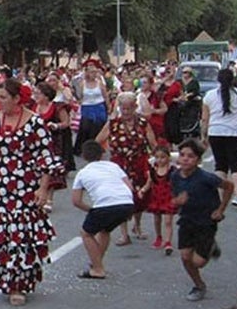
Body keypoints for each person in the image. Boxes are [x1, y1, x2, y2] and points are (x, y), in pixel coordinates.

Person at [0, 78, 62, 306]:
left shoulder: (35, 123)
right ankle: (7, 280)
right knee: (4, 235)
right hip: (1, 187)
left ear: (17, 99)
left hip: (26, 186)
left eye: (4, 97)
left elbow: (47, 158)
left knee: (22, 235)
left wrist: (43, 189)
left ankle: (20, 285)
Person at [171, 139, 235, 302]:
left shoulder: (206, 178)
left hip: (206, 222)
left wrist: (220, 209)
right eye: (183, 155)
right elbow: (174, 199)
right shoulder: (175, 177)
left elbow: (229, 186)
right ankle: (199, 285)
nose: (185, 159)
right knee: (185, 257)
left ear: (198, 161)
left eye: (191, 156)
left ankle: (211, 246)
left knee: (198, 262)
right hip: (186, 220)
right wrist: (177, 202)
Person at [96, 91, 156, 246]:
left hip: (139, 163)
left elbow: (153, 143)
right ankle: (124, 234)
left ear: (135, 107)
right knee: (122, 198)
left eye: (129, 109)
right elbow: (98, 140)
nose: (126, 112)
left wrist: (156, 160)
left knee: (139, 197)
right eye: (123, 109)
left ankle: (137, 225)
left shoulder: (143, 122)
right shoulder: (113, 123)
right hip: (119, 166)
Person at [70, 141, 135, 280]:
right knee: (105, 230)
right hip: (127, 202)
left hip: (105, 205)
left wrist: (90, 210)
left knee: (86, 233)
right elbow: (129, 187)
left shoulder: (82, 173)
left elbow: (76, 201)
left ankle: (98, 269)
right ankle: (96, 263)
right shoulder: (114, 166)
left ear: (84, 156)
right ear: (102, 153)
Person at [202, 68, 237, 209]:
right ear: (233, 79)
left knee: (220, 165)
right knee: (236, 164)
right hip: (235, 132)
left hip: (215, 131)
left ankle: (220, 196)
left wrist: (204, 135)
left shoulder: (209, 95)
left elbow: (204, 119)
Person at [34, 83, 72, 211]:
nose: (36, 96)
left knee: (50, 169)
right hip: (36, 142)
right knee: (36, 169)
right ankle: (38, 195)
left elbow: (66, 122)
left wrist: (56, 126)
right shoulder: (33, 107)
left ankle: (49, 198)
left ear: (46, 96)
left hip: (53, 142)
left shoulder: (57, 107)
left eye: (38, 94)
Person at [143, 145, 179, 255]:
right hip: (157, 197)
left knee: (168, 221)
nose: (160, 160)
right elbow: (149, 183)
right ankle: (159, 236)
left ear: (168, 157)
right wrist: (143, 190)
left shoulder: (173, 170)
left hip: (168, 198)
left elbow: (178, 183)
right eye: (157, 157)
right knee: (157, 219)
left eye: (162, 157)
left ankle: (168, 242)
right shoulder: (153, 170)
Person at [73, 60, 109, 155]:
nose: (94, 74)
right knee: (85, 128)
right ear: (87, 73)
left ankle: (96, 149)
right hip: (87, 107)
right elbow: (80, 96)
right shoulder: (83, 83)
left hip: (99, 107)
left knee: (97, 129)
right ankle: (83, 148)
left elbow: (105, 96)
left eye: (95, 72)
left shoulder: (99, 82)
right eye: (92, 72)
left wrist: (109, 108)